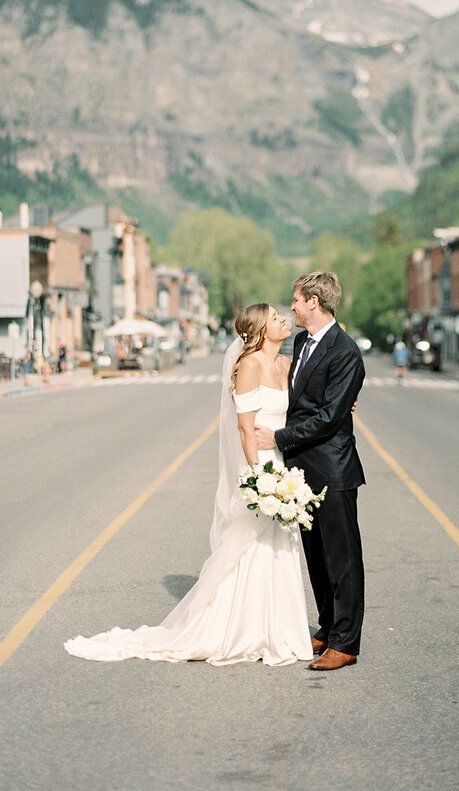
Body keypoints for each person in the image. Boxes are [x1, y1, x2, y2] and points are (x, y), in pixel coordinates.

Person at [64, 302, 312, 666]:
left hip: (282, 462)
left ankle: (278, 626)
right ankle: (242, 627)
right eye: (276, 317)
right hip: (260, 466)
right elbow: (244, 427)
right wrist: (258, 478)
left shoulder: (286, 364)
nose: (284, 320)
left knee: (280, 545)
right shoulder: (249, 366)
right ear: (260, 330)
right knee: (249, 545)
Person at [254, 271, 366, 672]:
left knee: (342, 557)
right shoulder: (301, 342)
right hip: (301, 471)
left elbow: (329, 416)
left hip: (333, 470)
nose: (293, 307)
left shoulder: (346, 352)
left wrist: (279, 438)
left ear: (314, 302)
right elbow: (300, 398)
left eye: (297, 300)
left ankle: (346, 643)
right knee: (316, 555)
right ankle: (328, 625)